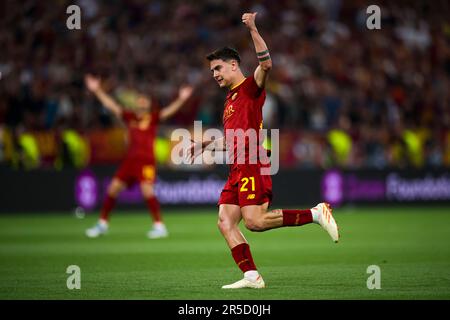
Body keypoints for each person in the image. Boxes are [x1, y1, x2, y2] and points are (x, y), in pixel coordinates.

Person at [187, 13, 339, 289]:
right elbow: (236, 138)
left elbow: (266, 64)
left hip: (252, 163)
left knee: (254, 222)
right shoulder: (230, 99)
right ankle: (251, 276)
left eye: (218, 68)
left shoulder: (250, 88)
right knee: (225, 221)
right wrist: (209, 143)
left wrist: (253, 29)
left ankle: (316, 213)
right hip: (237, 165)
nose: (215, 75)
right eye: (212, 71)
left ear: (234, 65)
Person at [84, 74, 193, 239]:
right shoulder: (130, 118)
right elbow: (112, 106)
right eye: (139, 100)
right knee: (113, 188)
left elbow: (168, 111)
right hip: (130, 161)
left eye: (145, 100)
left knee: (147, 191)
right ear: (136, 103)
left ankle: (159, 226)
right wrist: (97, 90)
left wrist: (181, 99)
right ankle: (102, 224)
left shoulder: (152, 118)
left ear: (148, 104)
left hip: (146, 161)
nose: (142, 101)